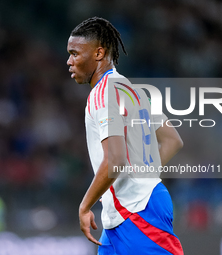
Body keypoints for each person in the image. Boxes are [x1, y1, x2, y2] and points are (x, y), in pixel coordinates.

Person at [67, 17, 184, 255]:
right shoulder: (133, 89)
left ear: (99, 53)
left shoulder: (103, 93)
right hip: (121, 215)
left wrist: (85, 206)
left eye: (75, 53)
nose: (69, 61)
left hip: (138, 212)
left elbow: (115, 160)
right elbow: (172, 140)